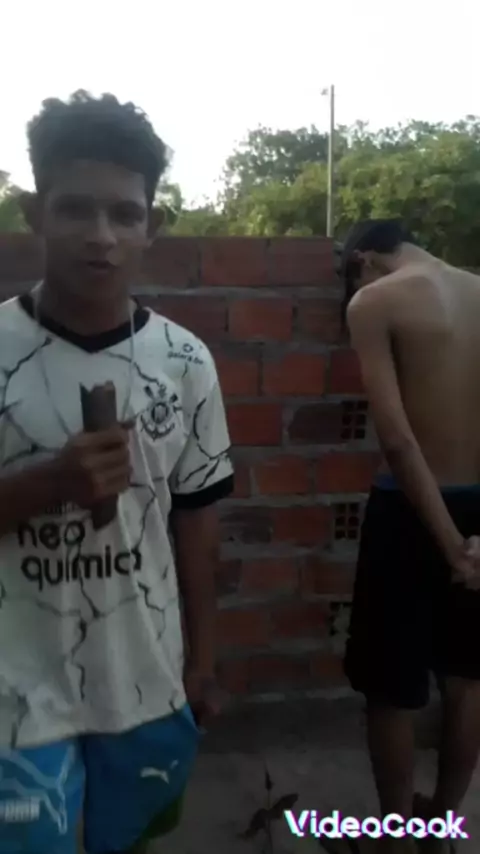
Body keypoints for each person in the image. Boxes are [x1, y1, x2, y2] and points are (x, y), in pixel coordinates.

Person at [0, 91, 234, 854]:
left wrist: (202, 662)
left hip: (144, 682)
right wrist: (47, 486)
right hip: (15, 699)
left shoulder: (185, 361)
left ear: (152, 225)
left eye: (124, 214)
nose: (100, 236)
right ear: (34, 212)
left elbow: (197, 519)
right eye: (75, 209)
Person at [341, 219, 480, 853]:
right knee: (468, 679)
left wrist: (449, 545)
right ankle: (441, 830)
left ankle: (394, 841)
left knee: (391, 688)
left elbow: (397, 439)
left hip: (409, 511)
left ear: (364, 259)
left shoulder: (374, 301)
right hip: (478, 512)